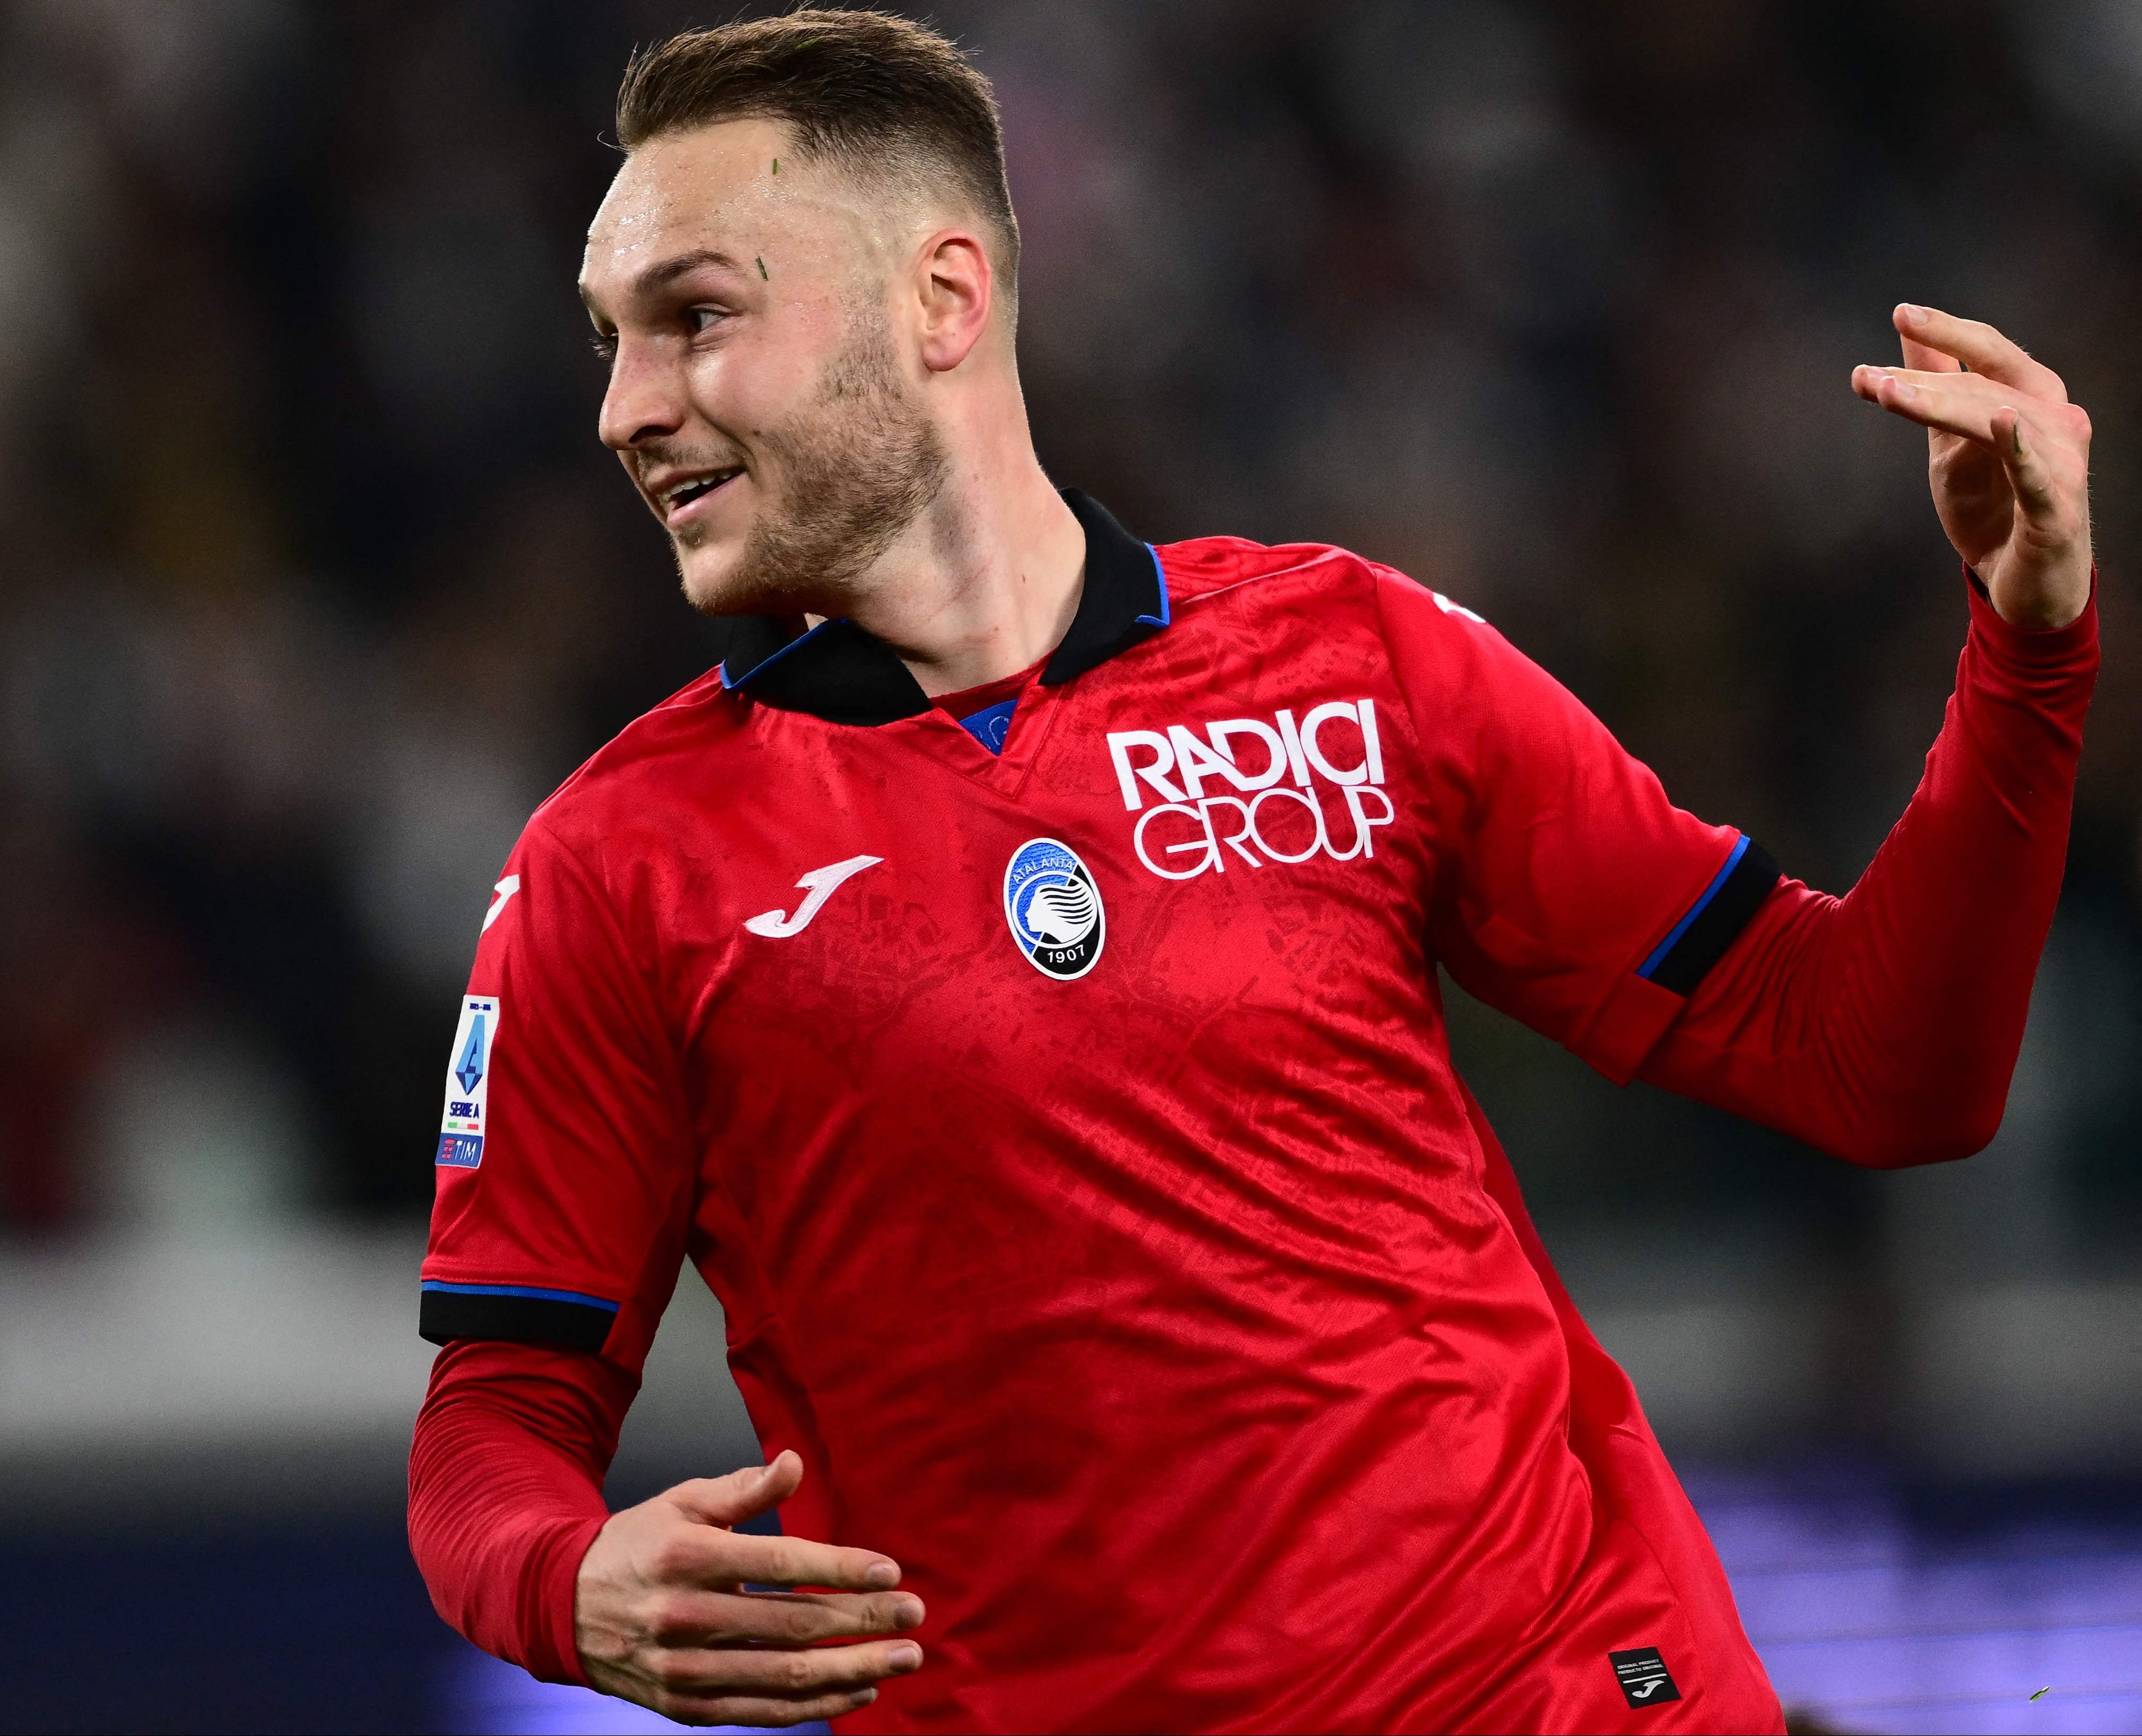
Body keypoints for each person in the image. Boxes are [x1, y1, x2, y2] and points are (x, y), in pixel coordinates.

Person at [406, 11, 2099, 1732]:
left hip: (1571, 1690)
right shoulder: (617, 870)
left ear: (943, 300)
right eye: (610, 340)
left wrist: (2027, 657)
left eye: (695, 318)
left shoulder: (1358, 661)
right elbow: (497, 1413)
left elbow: (1877, 1064)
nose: (627, 407)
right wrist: (564, 1577)